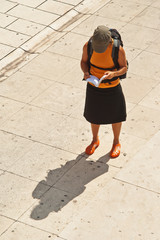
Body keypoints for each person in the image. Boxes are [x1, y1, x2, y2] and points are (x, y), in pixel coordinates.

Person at [81, 25, 127, 158]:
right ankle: (95, 140)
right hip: (94, 86)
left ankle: (116, 142)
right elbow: (84, 62)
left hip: (112, 87)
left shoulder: (118, 49)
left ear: (109, 42)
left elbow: (124, 67)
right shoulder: (88, 46)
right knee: (93, 115)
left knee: (116, 116)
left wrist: (114, 73)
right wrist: (85, 72)